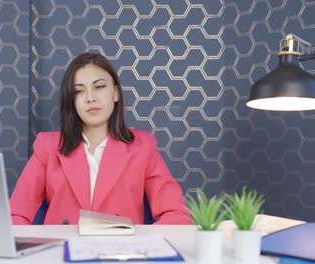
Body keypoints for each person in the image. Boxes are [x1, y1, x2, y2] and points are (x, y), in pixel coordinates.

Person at [10, 53, 192, 225]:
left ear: (116, 93)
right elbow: (15, 214)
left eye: (99, 87)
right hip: (61, 252)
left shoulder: (142, 146)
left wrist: (143, 245)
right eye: (79, 91)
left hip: (120, 254)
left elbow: (176, 214)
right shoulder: (47, 146)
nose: (90, 98)